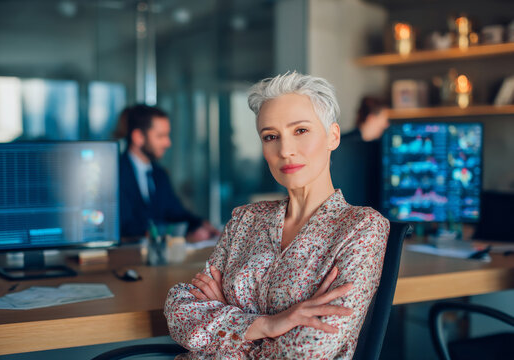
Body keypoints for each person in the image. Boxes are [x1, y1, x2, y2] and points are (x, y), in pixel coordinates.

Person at [164, 72, 390, 359]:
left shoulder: (361, 228)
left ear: (332, 136)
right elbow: (179, 308)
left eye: (301, 131)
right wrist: (269, 325)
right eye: (271, 136)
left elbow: (307, 350)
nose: (285, 150)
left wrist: (226, 322)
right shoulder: (246, 219)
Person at [118, 104, 219, 242]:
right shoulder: (115, 174)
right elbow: (125, 226)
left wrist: (200, 225)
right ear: (138, 137)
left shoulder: (159, 174)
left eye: (167, 135)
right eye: (160, 136)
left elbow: (175, 213)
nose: (167, 143)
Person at [330, 96, 389, 210]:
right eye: (384, 119)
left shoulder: (378, 147)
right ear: (372, 119)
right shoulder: (341, 146)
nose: (387, 125)